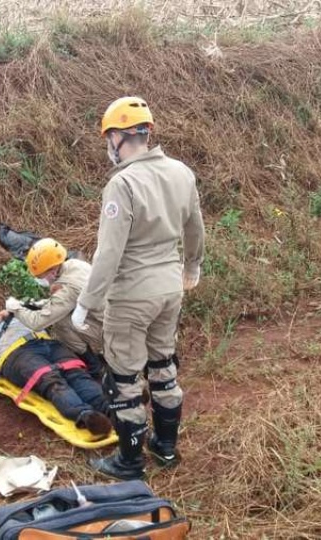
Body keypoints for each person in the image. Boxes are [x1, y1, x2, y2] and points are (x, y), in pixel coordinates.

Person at [72, 96, 205, 480]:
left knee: (125, 378)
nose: (107, 147)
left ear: (118, 136)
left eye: (107, 138)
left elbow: (109, 254)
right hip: (170, 288)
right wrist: (192, 265)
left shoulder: (123, 184)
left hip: (131, 294)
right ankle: (165, 447)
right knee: (163, 365)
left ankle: (129, 462)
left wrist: (87, 302)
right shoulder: (182, 172)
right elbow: (195, 229)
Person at [0, 299, 113, 436]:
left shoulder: (13, 312)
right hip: (13, 353)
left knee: (76, 373)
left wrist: (26, 307)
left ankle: (108, 409)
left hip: (45, 342)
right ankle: (86, 416)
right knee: (49, 379)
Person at [4, 238, 105, 378]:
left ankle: (94, 365)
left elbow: (37, 323)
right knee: (62, 315)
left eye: (41, 276)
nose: (40, 279)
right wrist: (44, 303)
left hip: (108, 331)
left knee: (60, 323)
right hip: (110, 316)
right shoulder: (74, 264)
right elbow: (72, 300)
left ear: (51, 271)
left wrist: (16, 308)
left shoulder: (68, 288)